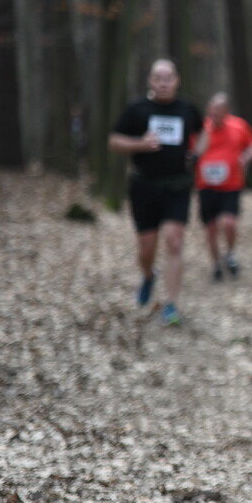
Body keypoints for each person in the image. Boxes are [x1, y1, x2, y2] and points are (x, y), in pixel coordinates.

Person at [108, 59, 204, 326]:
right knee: (146, 248)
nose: (163, 82)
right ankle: (149, 275)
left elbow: (203, 132)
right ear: (150, 81)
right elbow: (114, 141)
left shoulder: (187, 108)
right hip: (144, 186)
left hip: (178, 186)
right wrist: (140, 144)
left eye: (168, 77)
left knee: (174, 240)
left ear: (177, 80)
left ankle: (171, 304)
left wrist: (196, 154)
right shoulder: (137, 109)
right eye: (158, 78)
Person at [195, 92, 252, 281]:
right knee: (211, 228)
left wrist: (247, 156)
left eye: (219, 111)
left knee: (229, 222)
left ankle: (230, 254)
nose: (215, 115)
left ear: (227, 111)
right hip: (206, 185)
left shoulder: (239, 126)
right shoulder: (201, 129)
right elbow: (191, 151)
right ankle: (215, 264)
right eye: (212, 111)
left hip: (231, 184)